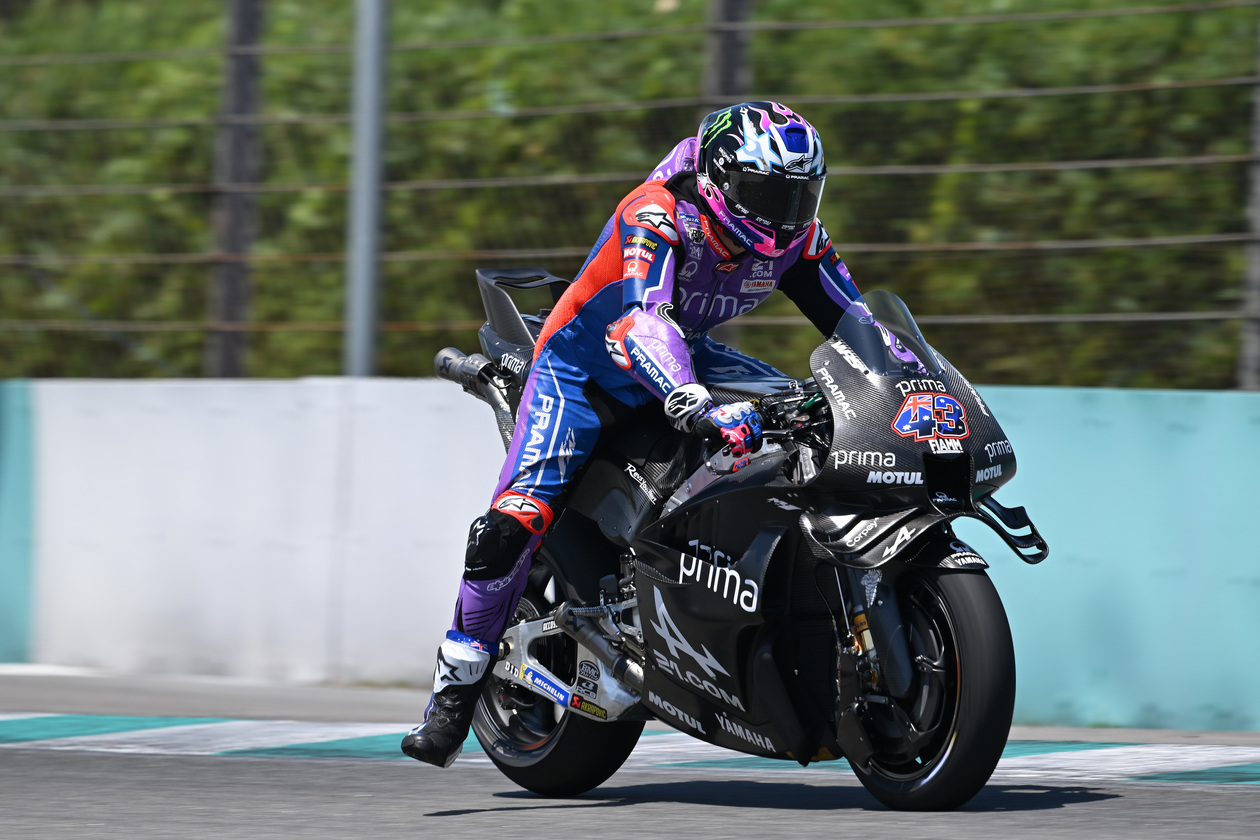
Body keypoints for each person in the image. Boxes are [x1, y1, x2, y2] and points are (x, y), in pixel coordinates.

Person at [402, 101, 864, 768]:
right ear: (721, 179)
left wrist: (920, 386)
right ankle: (455, 693)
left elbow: (861, 326)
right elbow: (642, 322)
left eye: (801, 195)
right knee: (511, 524)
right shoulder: (656, 213)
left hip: (686, 354)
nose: (786, 215)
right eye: (769, 195)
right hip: (583, 374)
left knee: (806, 414)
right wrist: (695, 401)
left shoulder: (798, 239)